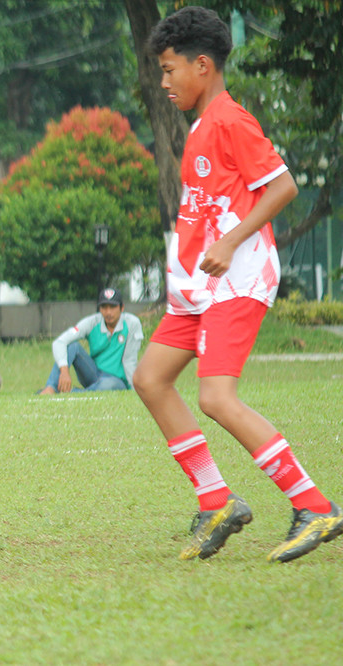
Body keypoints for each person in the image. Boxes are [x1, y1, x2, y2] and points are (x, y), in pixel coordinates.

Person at [134, 6, 341, 563]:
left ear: (203, 66)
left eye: (171, 69)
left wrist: (228, 244)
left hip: (237, 279)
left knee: (215, 397)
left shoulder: (230, 120)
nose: (164, 80)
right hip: (197, 288)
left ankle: (315, 506)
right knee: (151, 379)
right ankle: (217, 500)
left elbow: (282, 188)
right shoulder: (202, 126)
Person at [38, 288, 143, 395]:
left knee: (108, 385)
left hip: (116, 380)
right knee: (72, 346)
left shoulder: (132, 324)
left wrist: (134, 389)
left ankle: (71, 393)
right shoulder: (92, 322)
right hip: (93, 373)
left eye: (112, 307)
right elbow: (59, 342)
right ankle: (51, 387)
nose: (108, 312)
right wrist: (64, 371)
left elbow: (129, 360)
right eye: (104, 307)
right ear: (99, 308)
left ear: (122, 307)